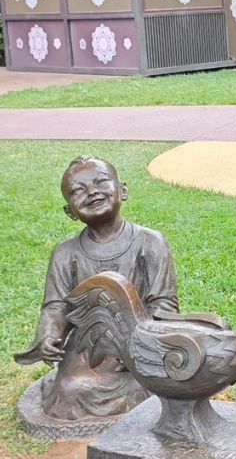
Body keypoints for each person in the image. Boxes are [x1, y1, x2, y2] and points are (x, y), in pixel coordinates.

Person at [14, 156, 179, 420]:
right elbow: (56, 306)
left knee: (152, 384)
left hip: (141, 338)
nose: (92, 193)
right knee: (70, 390)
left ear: (122, 190)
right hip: (87, 345)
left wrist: (142, 342)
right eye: (78, 191)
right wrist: (50, 336)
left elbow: (163, 303)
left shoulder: (150, 242)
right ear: (69, 211)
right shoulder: (65, 253)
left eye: (101, 182)